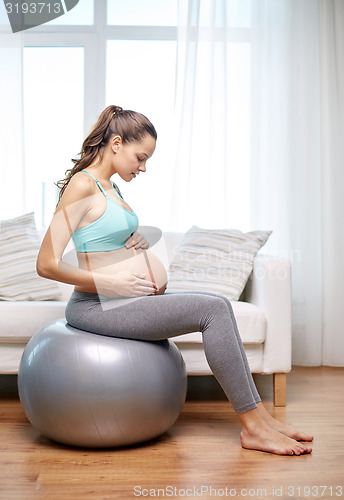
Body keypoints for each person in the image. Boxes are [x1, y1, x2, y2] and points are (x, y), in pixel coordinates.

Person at [37, 105, 313, 455]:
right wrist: (112, 284)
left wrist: (138, 239)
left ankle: (261, 417)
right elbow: (46, 263)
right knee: (211, 309)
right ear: (117, 143)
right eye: (141, 157)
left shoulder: (111, 188)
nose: (143, 167)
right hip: (97, 306)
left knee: (219, 306)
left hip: (125, 301)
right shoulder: (82, 185)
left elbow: (102, 241)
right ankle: (253, 428)